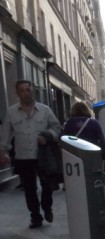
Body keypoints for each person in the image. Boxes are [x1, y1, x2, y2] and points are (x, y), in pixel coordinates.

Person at [0, 80, 61, 228]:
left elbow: (57, 128)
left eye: (28, 90)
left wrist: (47, 136)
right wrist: (3, 151)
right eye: (22, 90)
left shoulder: (45, 110)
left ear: (33, 91)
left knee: (47, 185)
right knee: (29, 189)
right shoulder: (11, 112)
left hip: (43, 156)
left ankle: (47, 206)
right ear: (18, 93)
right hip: (23, 157)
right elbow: (6, 134)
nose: (26, 93)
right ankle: (35, 216)